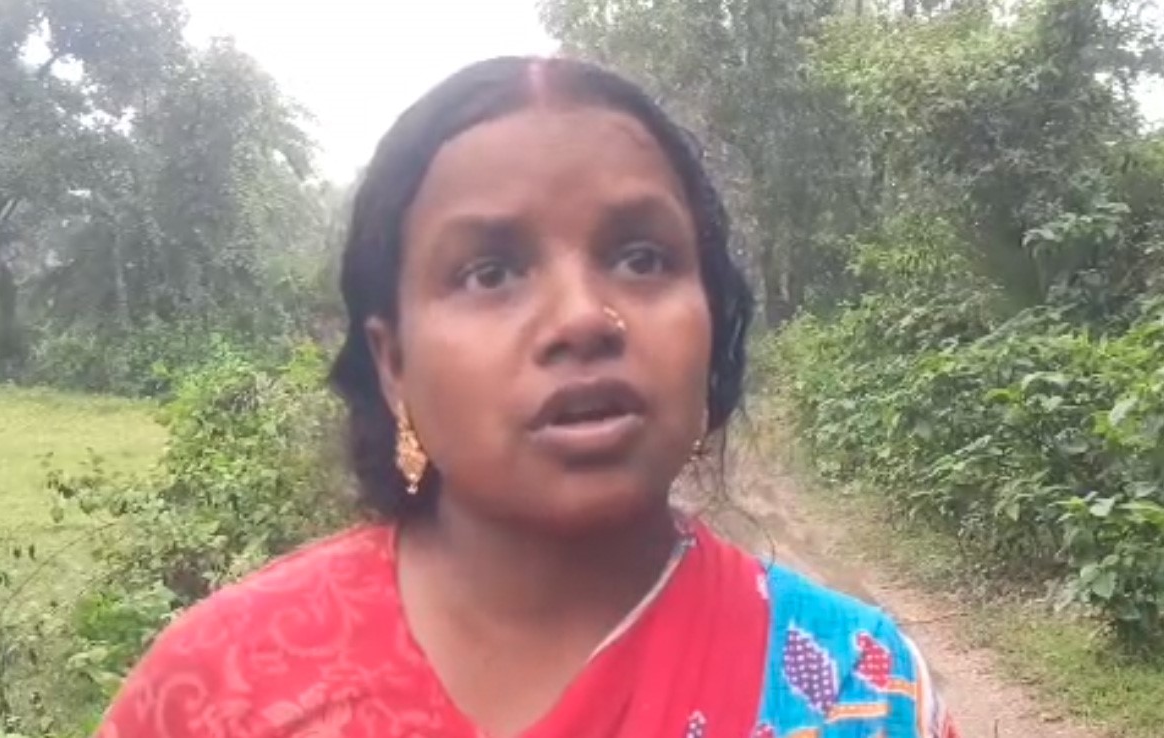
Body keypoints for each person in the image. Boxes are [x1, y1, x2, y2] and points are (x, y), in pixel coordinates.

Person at [96, 56, 959, 738]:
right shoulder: (225, 688)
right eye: (491, 272)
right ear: (393, 363)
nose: (583, 317)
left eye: (642, 257)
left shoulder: (859, 692)